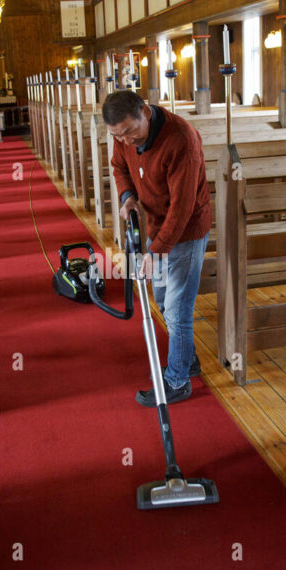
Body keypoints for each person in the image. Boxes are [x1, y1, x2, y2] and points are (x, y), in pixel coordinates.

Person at [102, 90, 211, 406]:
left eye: (130, 133)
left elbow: (182, 209)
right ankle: (186, 360)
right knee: (163, 300)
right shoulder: (123, 136)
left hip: (186, 232)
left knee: (178, 308)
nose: (126, 142)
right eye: (118, 136)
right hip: (157, 225)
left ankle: (177, 382)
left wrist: (156, 253)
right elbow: (119, 166)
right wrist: (126, 197)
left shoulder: (181, 140)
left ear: (145, 113)